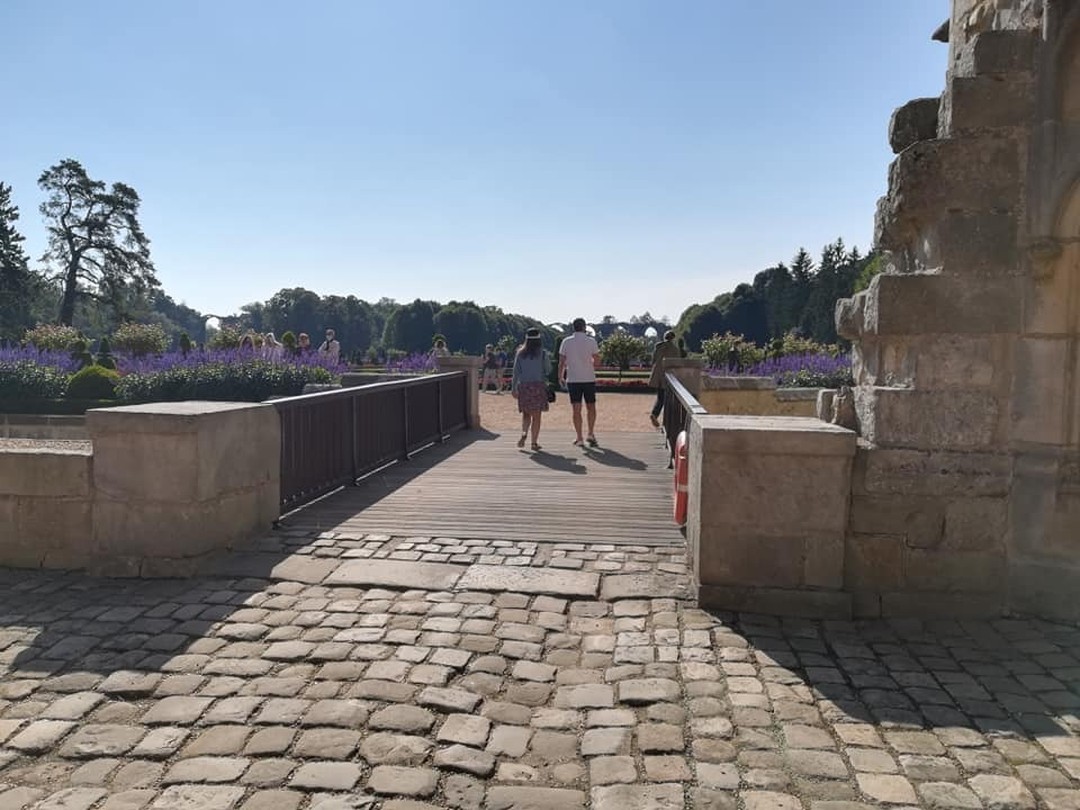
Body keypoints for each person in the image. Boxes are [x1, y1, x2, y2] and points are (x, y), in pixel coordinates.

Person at [558, 317, 601, 447]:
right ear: (584, 327)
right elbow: (597, 362)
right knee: (591, 407)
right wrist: (590, 363)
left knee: (576, 409)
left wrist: (560, 376)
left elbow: (561, 363)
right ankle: (591, 433)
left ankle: (579, 437)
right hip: (588, 378)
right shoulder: (591, 341)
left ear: (573, 327)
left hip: (573, 379)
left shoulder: (566, 341)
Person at [511, 327, 551, 451]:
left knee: (526, 414)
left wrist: (513, 388)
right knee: (537, 417)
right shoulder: (543, 353)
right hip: (538, 386)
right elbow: (548, 369)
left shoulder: (520, 353)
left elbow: (515, 372)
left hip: (524, 386)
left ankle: (524, 432)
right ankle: (534, 442)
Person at [648, 330, 682, 428]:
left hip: (658, 374)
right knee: (668, 399)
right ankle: (665, 421)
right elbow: (677, 363)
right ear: (673, 338)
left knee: (660, 397)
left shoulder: (658, 347)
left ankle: (655, 414)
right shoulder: (675, 349)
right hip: (668, 375)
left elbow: (653, 360)